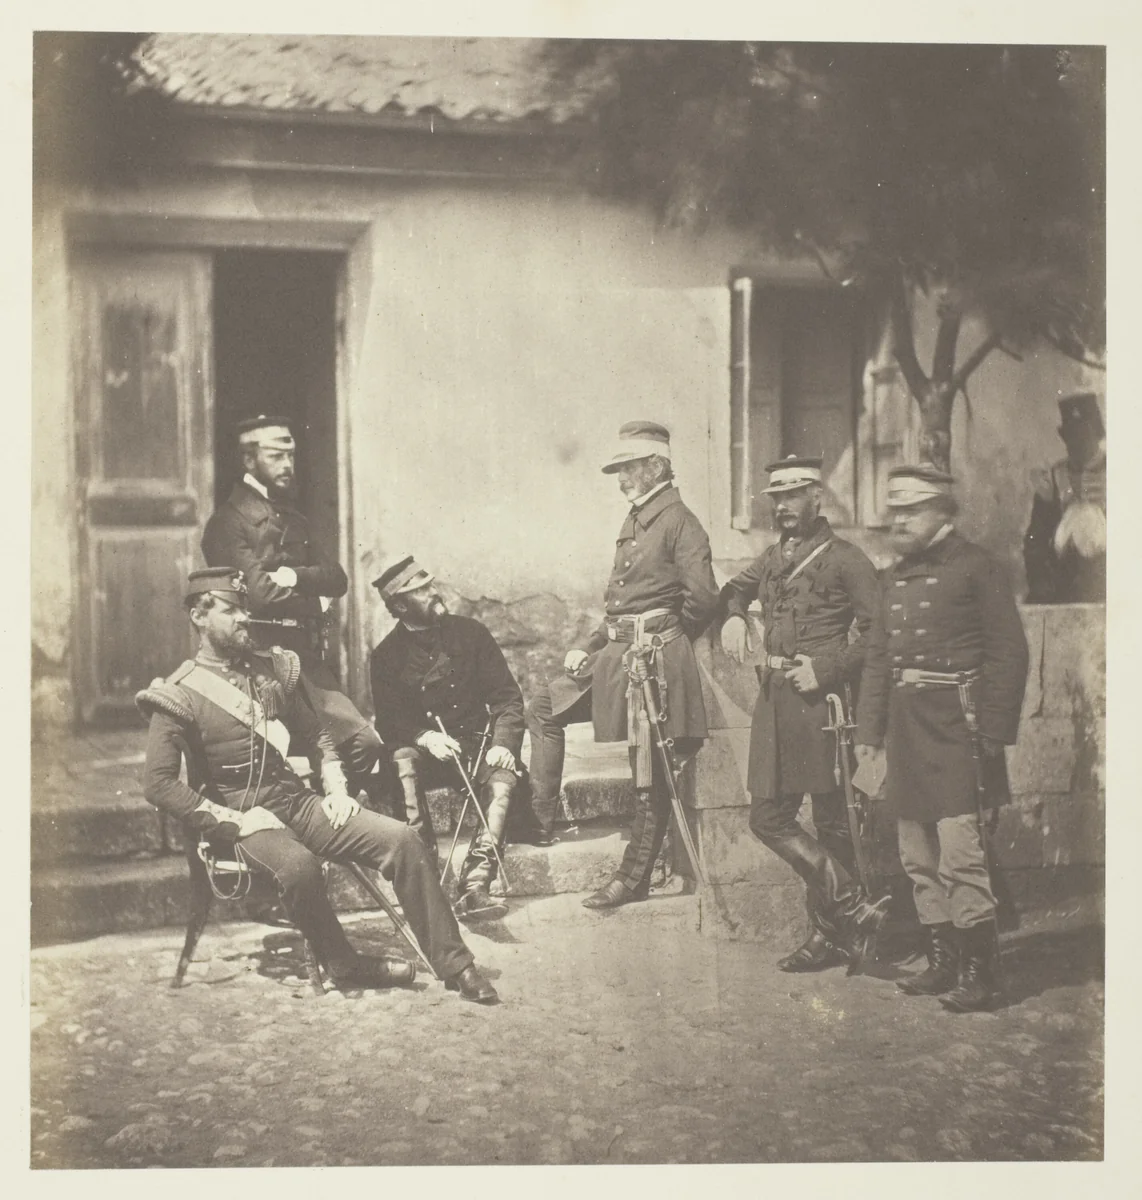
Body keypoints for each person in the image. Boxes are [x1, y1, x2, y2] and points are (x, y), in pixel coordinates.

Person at [138, 567, 497, 1003]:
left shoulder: (271, 668)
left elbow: (316, 734)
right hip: (242, 819)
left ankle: (457, 965)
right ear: (199, 615)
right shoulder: (179, 692)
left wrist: (336, 787)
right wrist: (232, 821)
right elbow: (157, 784)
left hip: (300, 803)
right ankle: (342, 960)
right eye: (231, 611)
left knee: (402, 839)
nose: (243, 619)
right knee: (299, 866)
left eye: (244, 609)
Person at [856, 466, 1029, 1012]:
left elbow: (1009, 652)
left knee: (960, 853)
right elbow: (880, 659)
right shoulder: (893, 576)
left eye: (910, 511)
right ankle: (944, 961)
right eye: (895, 511)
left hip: (961, 725)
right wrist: (869, 734)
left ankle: (983, 971)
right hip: (907, 730)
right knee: (917, 854)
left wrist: (996, 731)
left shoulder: (978, 567)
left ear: (941, 513)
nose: (898, 521)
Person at [526, 420, 720, 909]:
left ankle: (632, 878)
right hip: (617, 656)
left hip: (653, 662)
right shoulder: (637, 519)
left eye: (629, 467)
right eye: (620, 469)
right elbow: (622, 601)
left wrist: (666, 641)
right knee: (544, 707)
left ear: (656, 466)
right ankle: (538, 820)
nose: (621, 478)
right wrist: (591, 644)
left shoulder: (680, 521)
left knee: (649, 773)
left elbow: (701, 599)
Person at [718, 455, 889, 972]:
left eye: (793, 495)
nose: (783, 506)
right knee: (768, 817)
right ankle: (853, 905)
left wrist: (827, 668)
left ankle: (828, 937)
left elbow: (880, 633)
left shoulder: (847, 559)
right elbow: (735, 588)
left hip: (823, 706)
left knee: (834, 822)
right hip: (775, 704)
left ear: (817, 497)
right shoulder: (772, 556)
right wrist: (732, 616)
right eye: (776, 497)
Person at [201, 414, 383, 792]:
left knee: (363, 744)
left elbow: (337, 578)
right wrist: (314, 603)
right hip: (255, 659)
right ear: (250, 461)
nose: (288, 466)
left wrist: (295, 577)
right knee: (273, 758)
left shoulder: (295, 520)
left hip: (306, 659)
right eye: (277, 457)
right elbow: (261, 596)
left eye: (291, 457)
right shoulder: (227, 524)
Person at [369, 557, 542, 921]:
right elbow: (389, 721)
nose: (435, 593)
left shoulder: (471, 633)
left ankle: (475, 886)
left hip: (476, 746)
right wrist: (425, 736)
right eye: (423, 591)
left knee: (502, 782)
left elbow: (508, 699)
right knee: (402, 759)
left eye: (432, 585)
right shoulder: (386, 656)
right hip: (426, 753)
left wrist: (502, 744)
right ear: (400, 605)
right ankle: (423, 876)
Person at [1023, 393, 1106, 603]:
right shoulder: (1054, 477)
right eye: (1070, 435)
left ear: (1096, 432)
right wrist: (1040, 581)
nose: (1075, 442)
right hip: (1064, 579)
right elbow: (1036, 538)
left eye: (1083, 434)